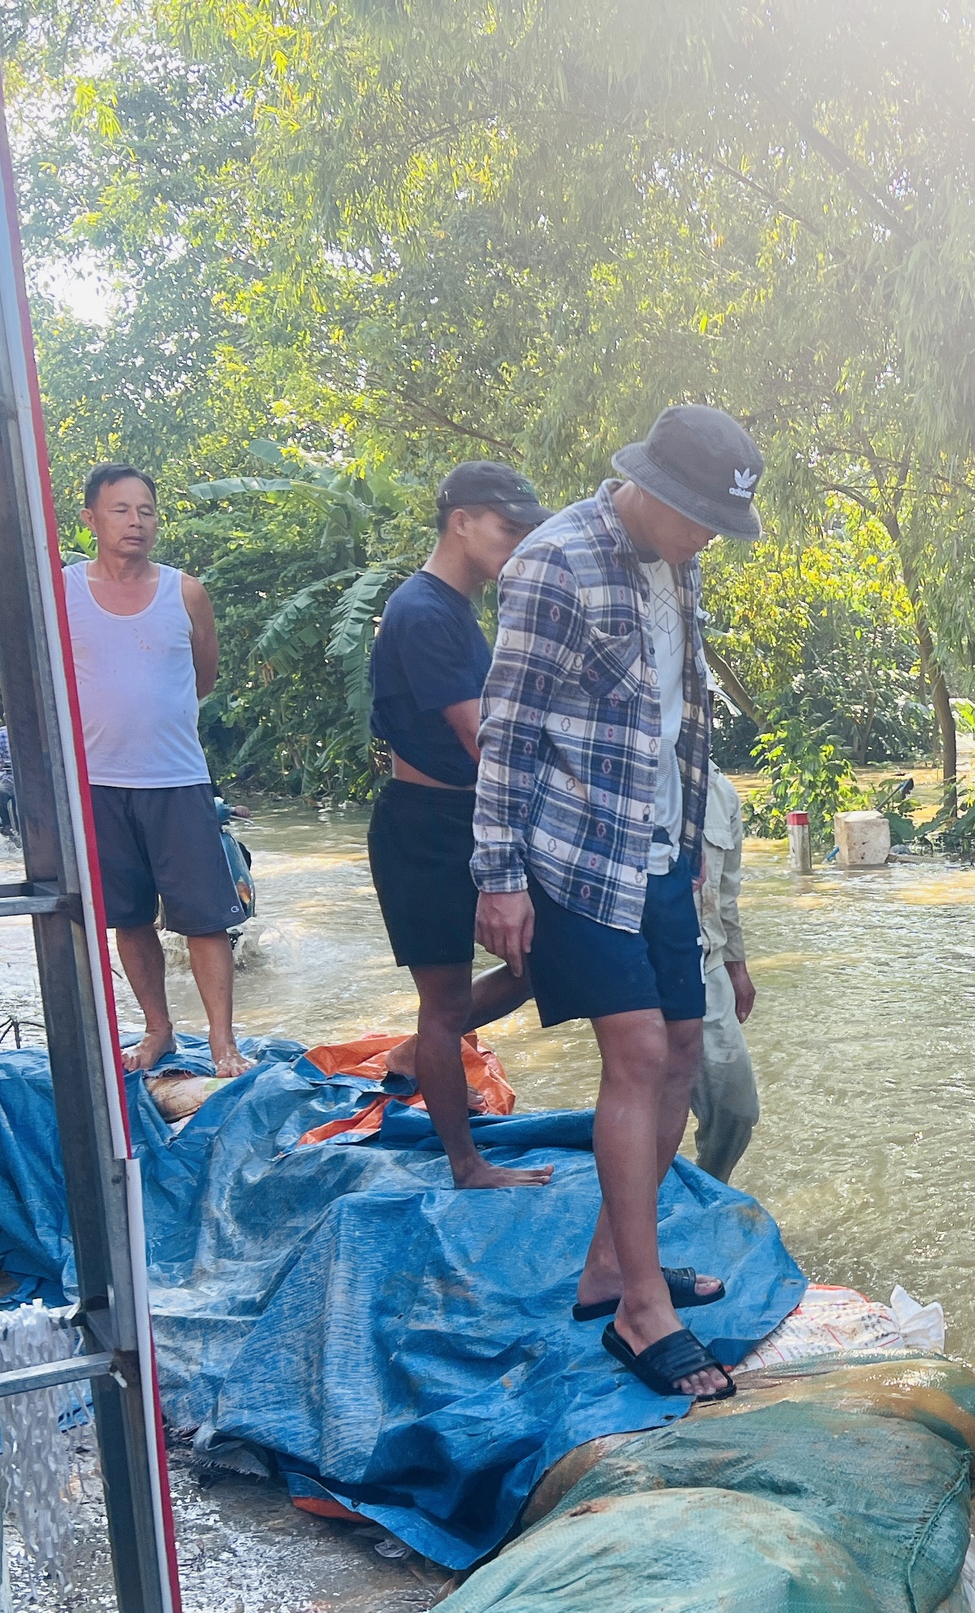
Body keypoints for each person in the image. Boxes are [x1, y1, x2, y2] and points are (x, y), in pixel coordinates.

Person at [473, 404, 763, 1400]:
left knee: (685, 1046)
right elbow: (506, 732)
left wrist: (691, 853)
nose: (703, 540)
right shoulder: (552, 564)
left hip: (659, 851)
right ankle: (643, 1313)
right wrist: (499, 877)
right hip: (577, 854)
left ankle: (613, 1265)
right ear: (647, 485)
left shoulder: (677, 560)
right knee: (637, 1052)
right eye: (694, 519)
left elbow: (682, 719)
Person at [367, 462, 555, 1190]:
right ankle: (466, 1164)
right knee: (445, 1003)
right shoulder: (423, 613)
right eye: (508, 528)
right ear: (462, 521)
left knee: (538, 965)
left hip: (468, 819)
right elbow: (487, 743)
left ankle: (418, 1052)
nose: (516, 542)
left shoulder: (454, 607)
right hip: (427, 828)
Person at [66, 463, 250, 1076]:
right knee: (129, 917)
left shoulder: (185, 592)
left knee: (204, 919)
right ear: (91, 518)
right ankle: (159, 1030)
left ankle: (223, 1044)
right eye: (120, 510)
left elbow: (203, 678)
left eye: (145, 510)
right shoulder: (62, 591)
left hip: (176, 778)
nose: (136, 522)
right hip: (97, 783)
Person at [688, 763, 759, 1184]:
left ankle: (707, 1190)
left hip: (706, 960)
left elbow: (726, 893)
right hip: (636, 964)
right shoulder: (629, 771)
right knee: (650, 1099)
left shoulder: (720, 792)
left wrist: (737, 966)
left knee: (736, 1109)